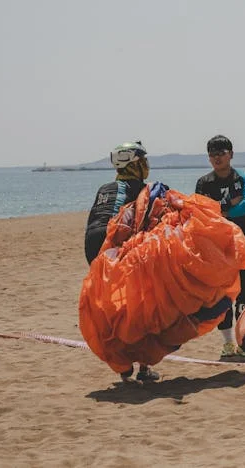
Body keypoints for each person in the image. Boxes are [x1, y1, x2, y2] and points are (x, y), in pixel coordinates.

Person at [84, 141, 159, 382]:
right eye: (143, 162)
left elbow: (94, 219)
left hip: (92, 245)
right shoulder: (141, 188)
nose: (147, 166)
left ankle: (123, 367)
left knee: (112, 307)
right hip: (113, 242)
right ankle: (144, 369)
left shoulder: (105, 187)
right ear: (134, 165)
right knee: (143, 306)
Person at [195, 135, 245, 358]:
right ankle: (228, 343)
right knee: (221, 297)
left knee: (244, 293)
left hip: (243, 246)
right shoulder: (204, 183)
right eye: (212, 154)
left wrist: (224, 211)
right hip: (216, 248)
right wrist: (228, 205)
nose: (217, 158)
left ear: (231, 154)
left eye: (221, 153)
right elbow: (201, 211)